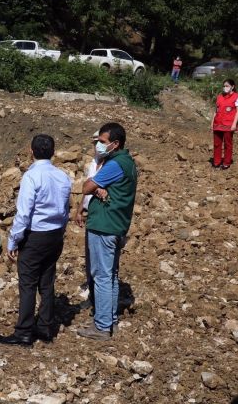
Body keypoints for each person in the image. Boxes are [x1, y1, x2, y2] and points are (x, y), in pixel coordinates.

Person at [0, 134, 72, 347]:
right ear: (53, 152)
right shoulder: (63, 176)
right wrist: (60, 231)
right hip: (55, 235)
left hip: (35, 236)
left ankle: (23, 332)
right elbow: (65, 209)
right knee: (47, 283)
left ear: (31, 151)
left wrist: (13, 240)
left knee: (28, 284)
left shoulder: (31, 177)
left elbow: (23, 214)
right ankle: (46, 328)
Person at [77, 122, 137, 341]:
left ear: (115, 143)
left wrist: (96, 186)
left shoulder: (114, 165)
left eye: (102, 142)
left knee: (102, 276)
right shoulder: (127, 162)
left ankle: (102, 327)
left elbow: (86, 187)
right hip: (117, 225)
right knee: (110, 275)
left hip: (104, 226)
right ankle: (109, 320)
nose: (99, 146)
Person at [73, 131, 104, 313]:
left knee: (100, 261)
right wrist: (80, 210)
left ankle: (100, 301)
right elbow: (87, 189)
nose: (96, 146)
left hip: (101, 218)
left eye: (99, 142)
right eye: (94, 142)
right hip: (90, 214)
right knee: (90, 258)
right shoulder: (94, 163)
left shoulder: (108, 165)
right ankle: (93, 295)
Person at [211, 79, 238, 170]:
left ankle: (226, 163)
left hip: (228, 124)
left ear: (232, 87)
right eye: (224, 86)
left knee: (227, 144)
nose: (225, 88)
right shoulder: (219, 96)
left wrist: (234, 124)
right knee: (217, 144)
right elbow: (216, 110)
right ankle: (216, 162)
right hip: (218, 123)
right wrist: (212, 122)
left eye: (227, 86)